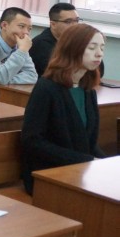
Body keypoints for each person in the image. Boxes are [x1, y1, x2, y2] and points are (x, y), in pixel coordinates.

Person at [21, 24, 107, 194]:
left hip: (80, 170)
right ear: (73, 49)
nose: (99, 53)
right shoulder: (47, 88)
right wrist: (87, 160)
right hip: (48, 173)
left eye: (102, 48)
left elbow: (88, 141)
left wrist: (106, 163)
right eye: (92, 47)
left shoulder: (87, 89)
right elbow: (33, 141)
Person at [30, 3, 105, 77]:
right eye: (68, 22)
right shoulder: (41, 44)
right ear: (53, 24)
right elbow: (58, 74)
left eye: (77, 20)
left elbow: (99, 72)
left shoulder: (76, 41)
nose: (75, 25)